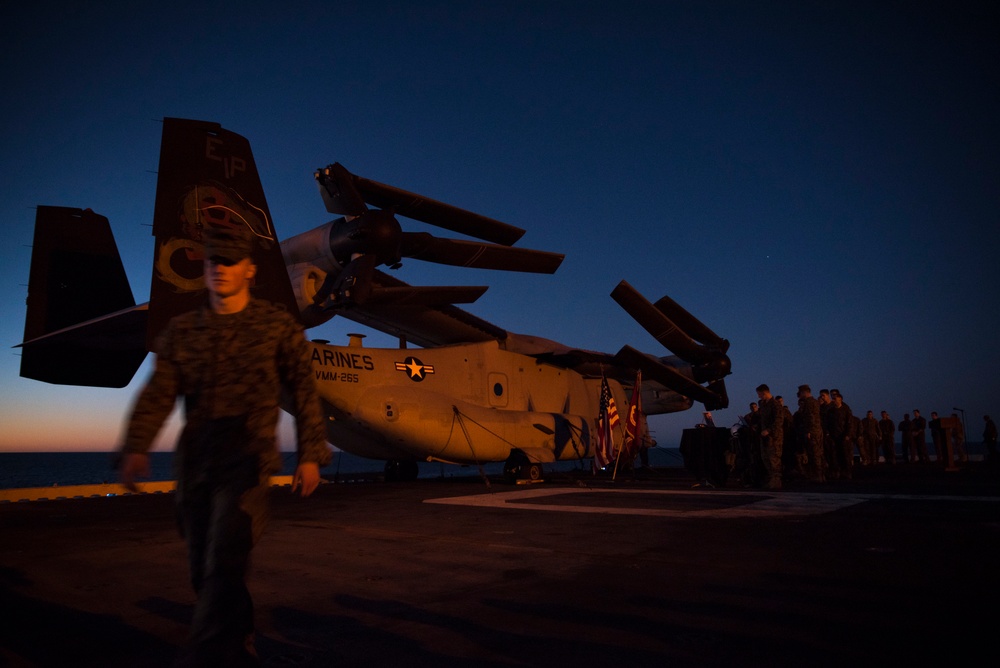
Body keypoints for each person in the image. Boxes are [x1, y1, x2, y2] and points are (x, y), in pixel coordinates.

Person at [118, 225, 331, 666]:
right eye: (214, 261)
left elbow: (304, 391)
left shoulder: (276, 327)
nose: (220, 268)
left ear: (249, 270)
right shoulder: (184, 330)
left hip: (247, 463)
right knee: (205, 567)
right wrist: (136, 446)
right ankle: (240, 637)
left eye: (231, 262)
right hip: (196, 465)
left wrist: (311, 454)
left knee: (225, 557)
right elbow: (159, 392)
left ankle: (205, 655)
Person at [756, 384, 783, 489]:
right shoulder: (763, 405)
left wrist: (769, 430)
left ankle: (776, 480)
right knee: (766, 458)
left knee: (774, 458)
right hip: (765, 437)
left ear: (764, 393)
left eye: (759, 394)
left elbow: (779, 420)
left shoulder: (775, 405)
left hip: (774, 437)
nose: (759, 397)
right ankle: (772, 479)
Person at [795, 385, 825, 481]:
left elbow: (810, 417)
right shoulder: (814, 401)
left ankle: (817, 476)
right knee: (817, 453)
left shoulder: (809, 402)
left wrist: (808, 431)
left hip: (812, 431)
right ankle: (819, 475)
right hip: (816, 430)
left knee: (814, 454)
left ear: (804, 392)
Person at [825, 391, 854, 480]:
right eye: (833, 399)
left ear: (840, 400)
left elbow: (849, 423)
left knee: (845, 455)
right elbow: (827, 423)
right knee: (834, 455)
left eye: (835, 399)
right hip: (833, 436)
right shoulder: (830, 411)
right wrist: (827, 433)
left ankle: (847, 472)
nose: (834, 400)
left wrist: (848, 434)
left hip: (843, 436)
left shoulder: (846, 410)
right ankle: (836, 472)